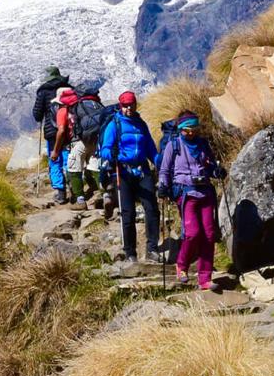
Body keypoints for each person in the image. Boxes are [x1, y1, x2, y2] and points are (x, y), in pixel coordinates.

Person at [156, 110, 226, 290]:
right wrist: (163, 186)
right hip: (185, 193)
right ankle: (182, 265)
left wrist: (216, 172)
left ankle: (205, 279)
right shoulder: (174, 145)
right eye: (187, 129)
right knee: (192, 233)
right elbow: (164, 170)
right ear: (180, 129)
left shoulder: (203, 144)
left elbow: (210, 165)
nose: (191, 132)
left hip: (205, 193)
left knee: (209, 235)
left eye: (194, 128)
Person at [97, 91, 160, 263]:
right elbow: (104, 149)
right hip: (122, 171)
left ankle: (152, 249)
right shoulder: (114, 124)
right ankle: (130, 252)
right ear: (120, 106)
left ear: (135, 104)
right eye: (125, 105)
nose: (128, 108)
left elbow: (151, 149)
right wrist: (112, 154)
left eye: (131, 104)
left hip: (142, 171)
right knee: (128, 212)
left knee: (152, 209)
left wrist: (160, 162)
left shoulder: (141, 124)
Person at [51, 87, 100, 210]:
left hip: (78, 142)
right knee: (95, 167)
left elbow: (61, 131)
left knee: (74, 169)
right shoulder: (84, 106)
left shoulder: (63, 110)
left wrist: (56, 151)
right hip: (94, 139)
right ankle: (106, 196)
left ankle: (80, 200)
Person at [32, 66, 71, 204]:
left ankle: (61, 193)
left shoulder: (43, 92)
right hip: (70, 129)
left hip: (52, 131)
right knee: (68, 158)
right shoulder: (69, 88)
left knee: (55, 159)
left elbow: (37, 115)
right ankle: (74, 186)